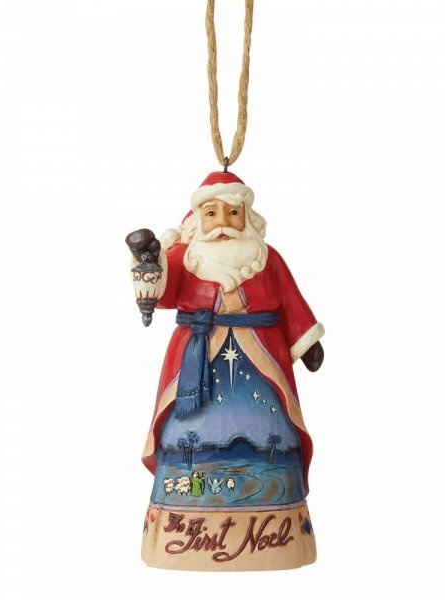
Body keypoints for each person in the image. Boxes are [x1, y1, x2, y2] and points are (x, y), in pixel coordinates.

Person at [127, 171, 324, 571]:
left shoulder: (266, 259)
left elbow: (290, 300)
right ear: (198, 218)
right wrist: (150, 257)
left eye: (233, 213)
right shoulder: (186, 258)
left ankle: (274, 522)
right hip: (195, 361)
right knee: (188, 433)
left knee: (268, 430)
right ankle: (184, 520)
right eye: (212, 213)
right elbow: (161, 291)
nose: (222, 223)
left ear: (247, 217)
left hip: (261, 360)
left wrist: (307, 343)